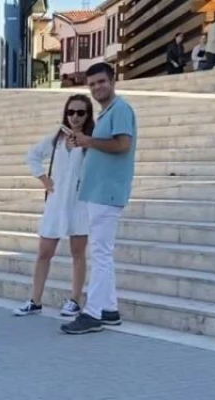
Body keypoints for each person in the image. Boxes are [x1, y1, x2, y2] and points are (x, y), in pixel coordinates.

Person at [62, 62, 137, 335]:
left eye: (101, 82)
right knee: (102, 253)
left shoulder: (120, 110)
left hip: (108, 192)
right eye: (92, 84)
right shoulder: (108, 113)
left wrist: (89, 141)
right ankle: (109, 309)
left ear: (113, 81)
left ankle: (93, 313)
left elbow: (122, 145)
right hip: (99, 193)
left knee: (101, 255)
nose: (97, 88)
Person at [16, 94, 94, 318]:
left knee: (78, 253)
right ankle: (35, 300)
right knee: (44, 252)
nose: (75, 117)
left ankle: (75, 300)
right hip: (56, 202)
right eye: (71, 112)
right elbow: (32, 155)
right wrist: (43, 178)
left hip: (80, 203)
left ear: (88, 115)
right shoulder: (57, 138)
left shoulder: (91, 140)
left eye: (80, 113)